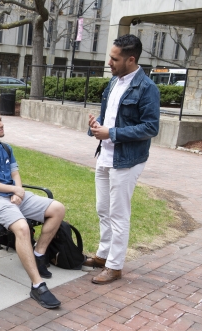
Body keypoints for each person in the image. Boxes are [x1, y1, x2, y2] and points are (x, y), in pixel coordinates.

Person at [0, 104, 65, 309]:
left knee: (57, 209)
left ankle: (38, 255)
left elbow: (15, 174)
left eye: (0, 120)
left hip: (11, 197)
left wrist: (18, 191)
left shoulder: (5, 147)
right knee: (22, 227)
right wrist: (13, 191)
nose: (1, 124)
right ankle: (37, 285)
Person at [86, 34, 160, 284]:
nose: (109, 62)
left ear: (131, 59)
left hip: (127, 160)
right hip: (105, 156)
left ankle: (115, 266)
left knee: (118, 213)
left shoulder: (147, 88)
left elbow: (150, 127)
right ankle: (103, 255)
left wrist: (113, 133)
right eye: (110, 56)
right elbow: (111, 118)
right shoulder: (114, 83)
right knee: (102, 209)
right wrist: (97, 127)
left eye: (114, 58)